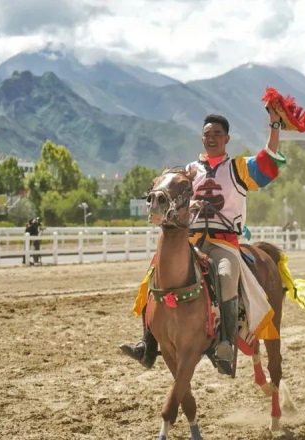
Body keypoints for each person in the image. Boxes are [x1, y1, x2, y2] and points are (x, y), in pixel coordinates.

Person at [120, 110, 286, 371]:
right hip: (191, 239)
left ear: (227, 138)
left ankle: (224, 344)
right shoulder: (189, 171)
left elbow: (268, 160)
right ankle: (147, 344)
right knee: (155, 271)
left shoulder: (239, 168)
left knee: (226, 276)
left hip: (223, 242)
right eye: (207, 134)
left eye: (217, 134)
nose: (211, 138)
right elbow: (172, 192)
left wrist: (275, 125)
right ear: (202, 138)